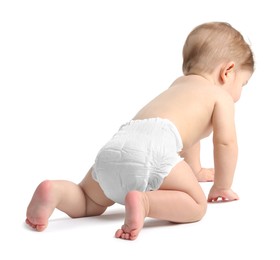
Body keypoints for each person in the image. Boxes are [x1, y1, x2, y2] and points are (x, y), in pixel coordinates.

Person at [25, 21, 254, 240]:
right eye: (242, 84)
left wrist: (194, 170)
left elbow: (188, 138)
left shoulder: (178, 85)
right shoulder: (220, 97)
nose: (239, 92)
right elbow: (225, 143)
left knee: (87, 200)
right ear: (228, 72)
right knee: (196, 205)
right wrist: (221, 186)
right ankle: (145, 202)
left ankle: (55, 191)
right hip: (153, 151)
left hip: (119, 144)